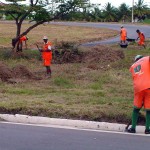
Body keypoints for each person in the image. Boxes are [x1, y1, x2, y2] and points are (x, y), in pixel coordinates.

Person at [127, 55, 150, 134]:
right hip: (148, 87)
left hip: (138, 88)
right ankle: (147, 129)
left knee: (136, 109)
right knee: (149, 110)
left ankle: (133, 128)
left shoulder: (133, 66)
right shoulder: (147, 59)